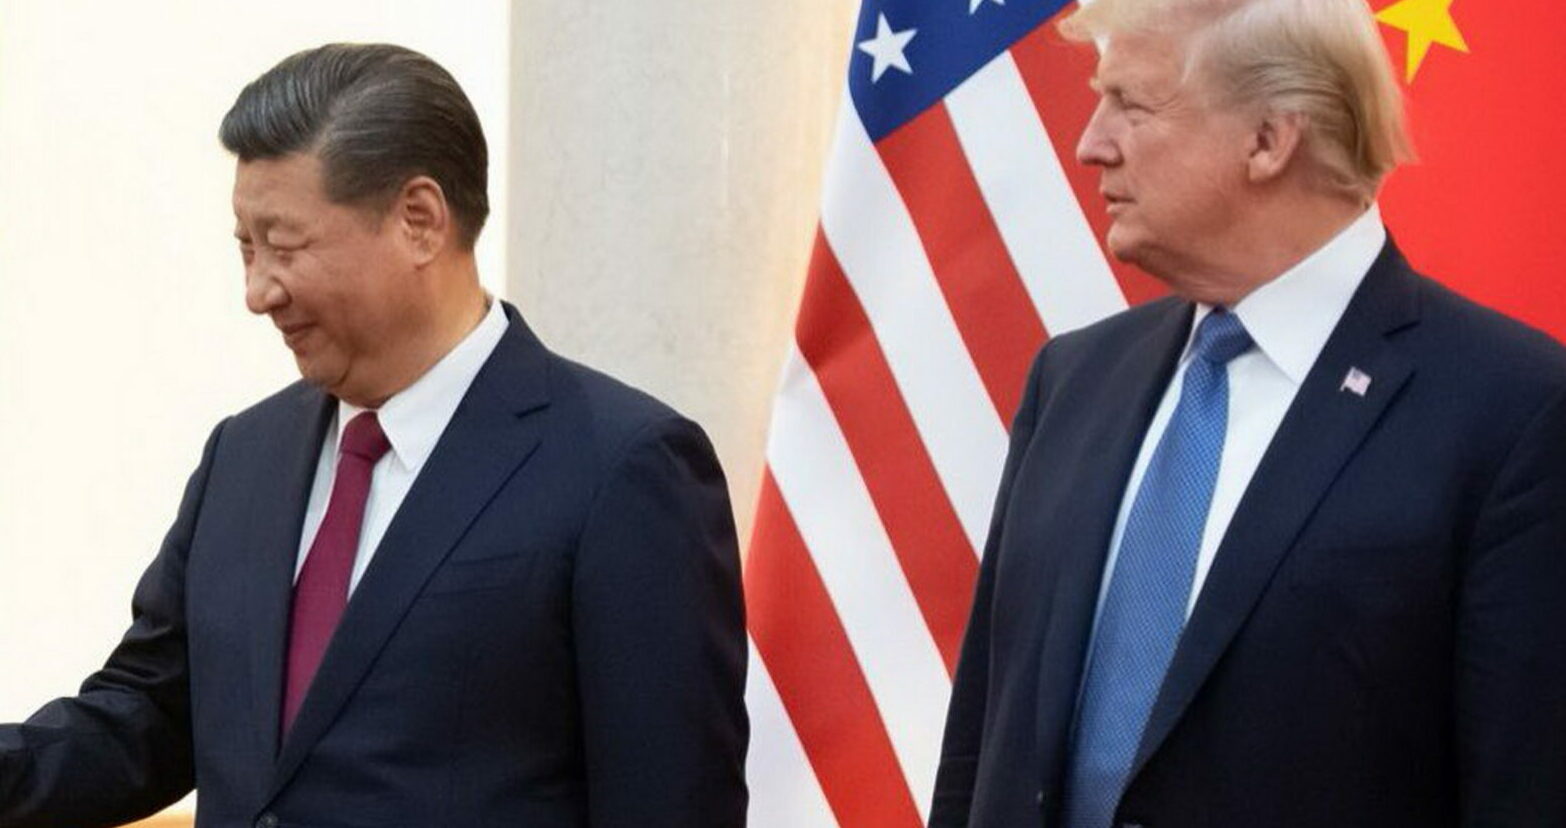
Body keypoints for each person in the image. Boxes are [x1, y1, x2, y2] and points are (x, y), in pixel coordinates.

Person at [0, 43, 748, 827]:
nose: (258, 291)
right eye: (246, 248)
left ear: (419, 220)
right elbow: (147, 719)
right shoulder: (244, 455)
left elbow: (669, 803)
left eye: (284, 246)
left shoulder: (620, 467)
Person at [930, 0, 1566, 826]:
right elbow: (981, 740)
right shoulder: (1074, 380)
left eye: (1130, 104)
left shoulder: (1515, 411)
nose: (1091, 144)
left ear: (1268, 139)